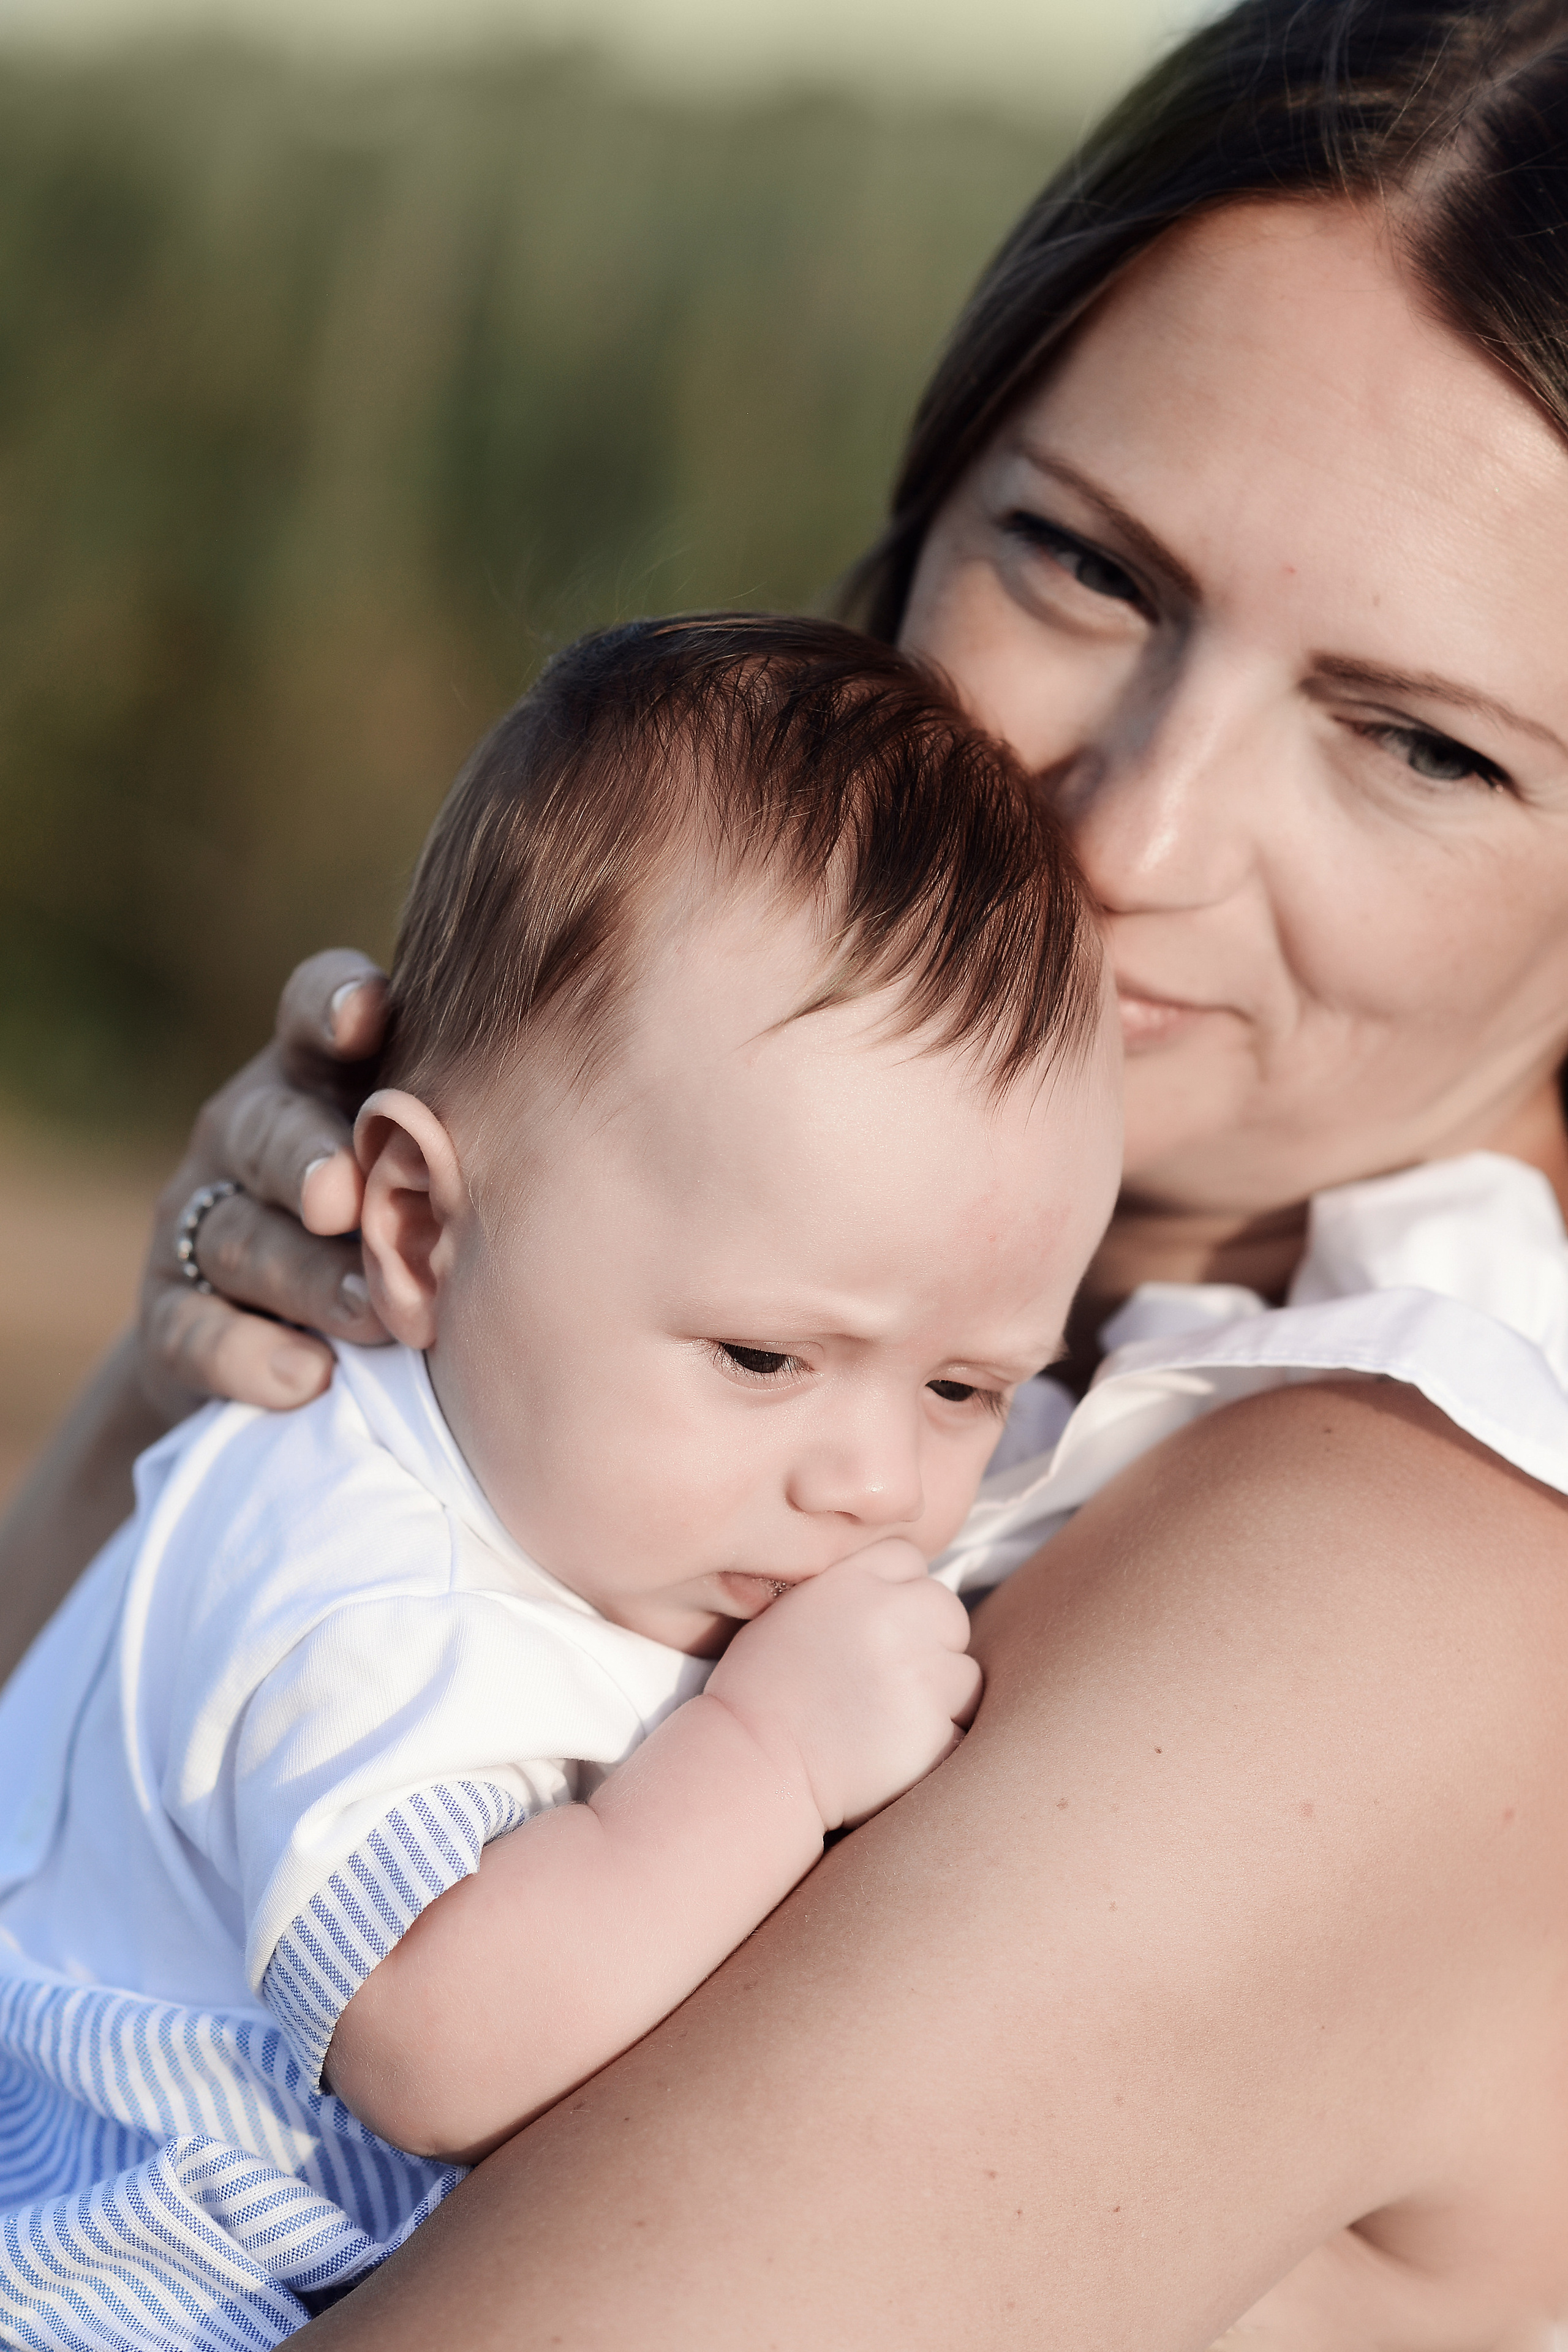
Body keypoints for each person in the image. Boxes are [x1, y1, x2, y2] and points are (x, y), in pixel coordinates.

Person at [6, 0, 1568, 2340]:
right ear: (924, 505)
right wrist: (201, 1405)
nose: (1128, 834)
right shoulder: (763, 1210)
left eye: (1422, 746)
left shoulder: (1391, 1563)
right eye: (1088, 571)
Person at [0, 614, 1120, 2343]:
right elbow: (439, 2043)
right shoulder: (353, 1580)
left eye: (969, 1383)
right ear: (425, 1226)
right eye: (764, 1358)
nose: (876, 1481)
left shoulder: (592, 1484)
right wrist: (762, 1757)